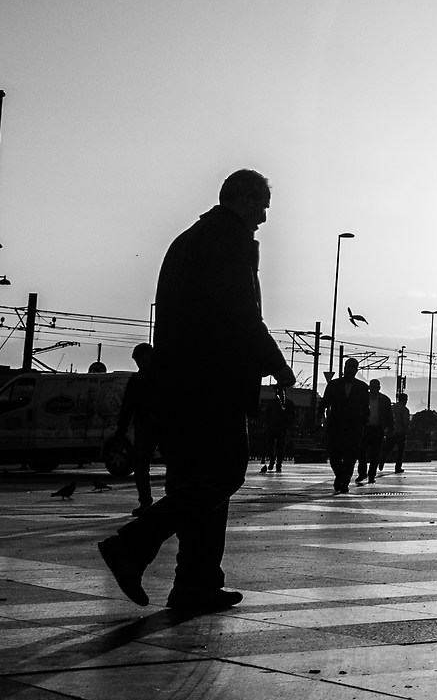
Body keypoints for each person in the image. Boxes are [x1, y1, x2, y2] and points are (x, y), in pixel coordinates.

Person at [96, 169, 297, 613]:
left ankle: (195, 583)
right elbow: (241, 316)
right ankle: (134, 544)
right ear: (241, 198)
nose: (264, 217)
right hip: (213, 383)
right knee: (224, 473)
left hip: (177, 384)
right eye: (261, 205)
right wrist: (278, 366)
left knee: (196, 483)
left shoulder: (186, 240)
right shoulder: (228, 240)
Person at [112, 342, 163, 508]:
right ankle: (149, 502)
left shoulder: (138, 380)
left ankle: (146, 502)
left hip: (148, 426)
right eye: (139, 362)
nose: (141, 364)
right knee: (143, 464)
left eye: (142, 361)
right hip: (158, 426)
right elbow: (127, 407)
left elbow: (127, 407)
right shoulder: (162, 378)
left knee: (141, 464)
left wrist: (121, 429)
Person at [326, 356, 369, 492]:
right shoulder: (333, 384)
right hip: (336, 425)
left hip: (354, 427)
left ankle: (344, 481)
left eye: (352, 367)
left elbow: (365, 407)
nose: (349, 370)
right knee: (334, 457)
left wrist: (363, 422)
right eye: (347, 367)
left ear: (356, 370)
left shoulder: (362, 387)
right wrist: (320, 415)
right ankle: (341, 477)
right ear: (344, 368)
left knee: (350, 457)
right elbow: (325, 401)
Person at [363, 379, 392, 482]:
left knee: (374, 453)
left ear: (379, 388)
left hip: (377, 428)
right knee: (362, 452)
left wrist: (389, 428)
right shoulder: (363, 398)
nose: (374, 389)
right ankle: (363, 472)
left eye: (375, 387)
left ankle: (371, 475)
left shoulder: (384, 400)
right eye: (372, 387)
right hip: (365, 427)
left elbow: (389, 416)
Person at [259, 382, 291, 474]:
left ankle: (276, 463)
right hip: (277, 427)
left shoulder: (273, 403)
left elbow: (267, 415)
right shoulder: (286, 403)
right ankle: (276, 463)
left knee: (275, 445)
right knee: (276, 446)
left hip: (276, 427)